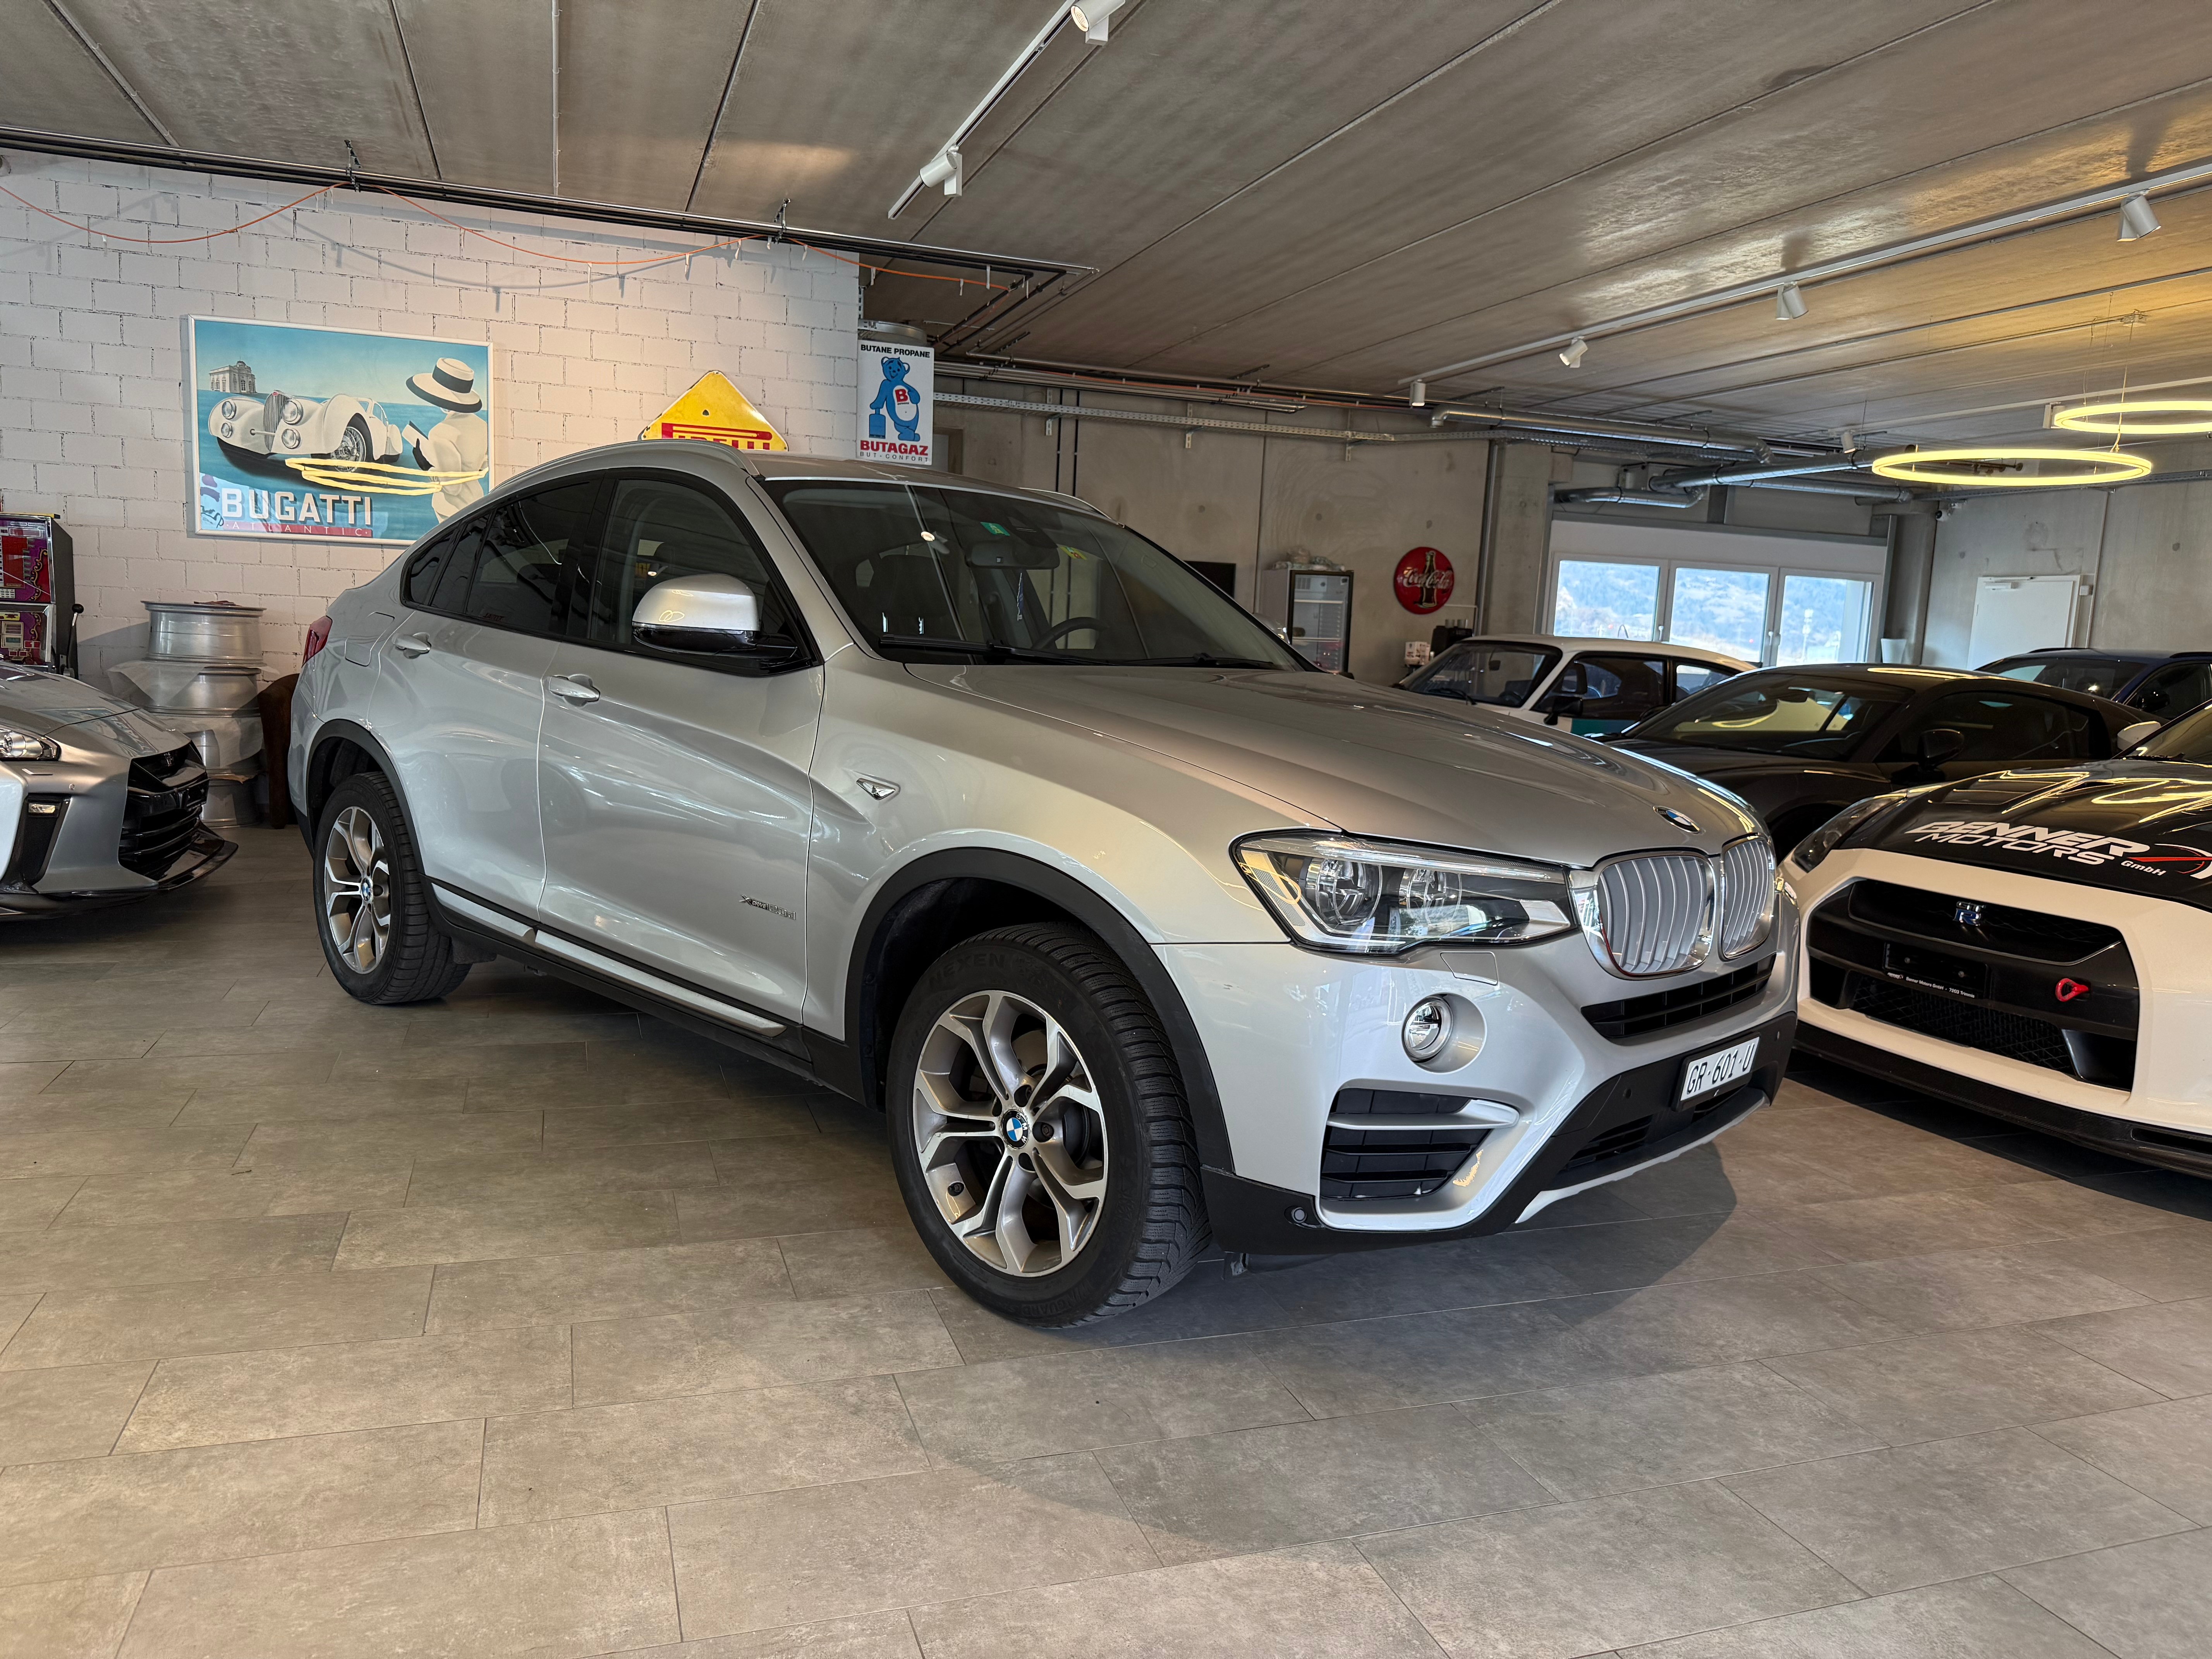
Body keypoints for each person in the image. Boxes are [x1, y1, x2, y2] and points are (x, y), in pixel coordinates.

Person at [402, 357, 489, 519]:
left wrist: (427, 467)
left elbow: (453, 488)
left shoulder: (440, 433)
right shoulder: (483, 426)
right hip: (477, 503)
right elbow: (483, 465)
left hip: (451, 510)